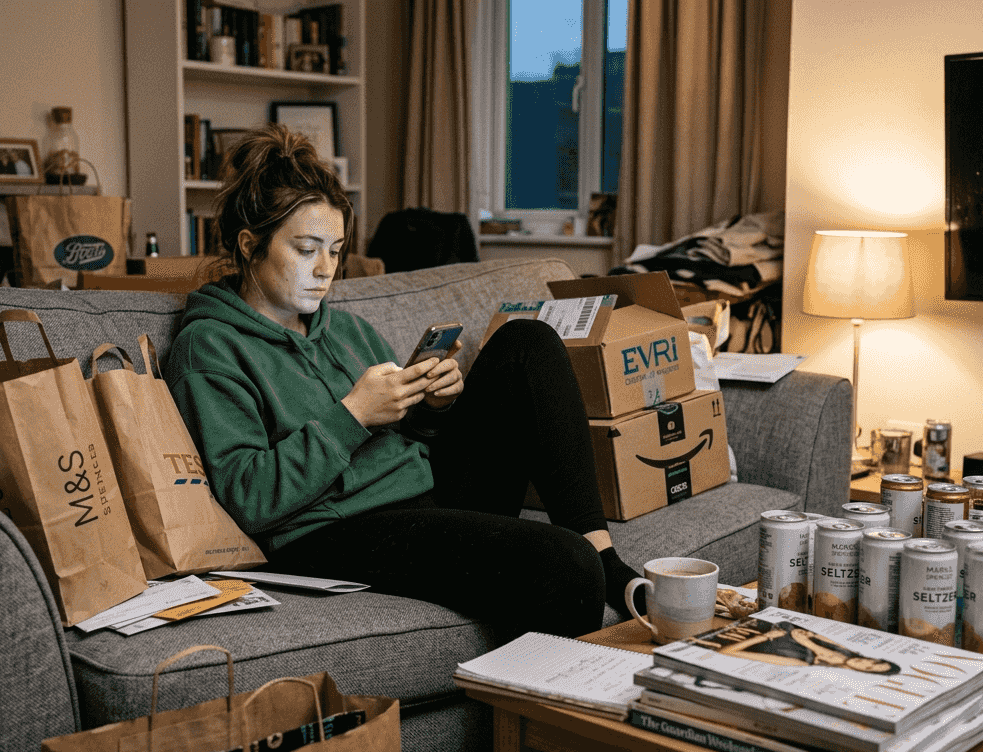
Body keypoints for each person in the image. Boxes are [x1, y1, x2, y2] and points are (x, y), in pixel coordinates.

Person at [165, 123, 644, 639]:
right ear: (249, 244)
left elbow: (412, 439)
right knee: (564, 567)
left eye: (335, 249)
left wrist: (433, 403)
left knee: (529, 342)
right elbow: (247, 499)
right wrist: (352, 416)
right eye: (306, 249)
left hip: (425, 496)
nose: (325, 270)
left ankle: (608, 558)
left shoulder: (345, 327)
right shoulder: (210, 346)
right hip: (328, 532)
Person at [693, 618, 901, 674]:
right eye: (874, 661)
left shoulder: (802, 662)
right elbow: (801, 632)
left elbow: (726, 652)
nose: (866, 663)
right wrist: (808, 637)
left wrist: (765, 638)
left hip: (729, 634)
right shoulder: (840, 648)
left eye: (870, 668)